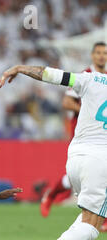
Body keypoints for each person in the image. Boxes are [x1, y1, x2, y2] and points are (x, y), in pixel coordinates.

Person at [0, 63, 107, 240]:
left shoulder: (92, 79)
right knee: (93, 225)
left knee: (90, 213)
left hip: (75, 156)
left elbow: (50, 75)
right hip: (101, 160)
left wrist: (19, 68)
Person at [40, 42, 106, 218]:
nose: (101, 56)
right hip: (84, 133)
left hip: (102, 134)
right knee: (82, 175)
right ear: (92, 55)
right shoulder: (86, 76)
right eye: (98, 52)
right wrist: (90, 110)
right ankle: (52, 194)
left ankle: (101, 215)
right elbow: (67, 102)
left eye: (105, 53)